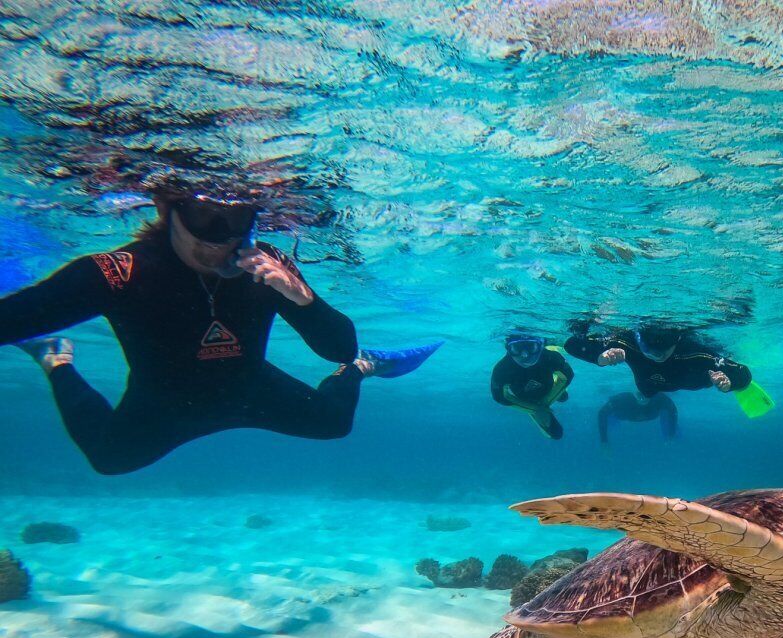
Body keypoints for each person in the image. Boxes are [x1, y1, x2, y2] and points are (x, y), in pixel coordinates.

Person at [2, 181, 440, 475]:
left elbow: (338, 347)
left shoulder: (267, 264)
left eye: (236, 221)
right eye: (204, 218)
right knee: (109, 458)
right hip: (164, 402)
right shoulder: (120, 272)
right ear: (164, 208)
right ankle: (57, 359)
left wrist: (301, 298)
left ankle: (365, 368)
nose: (220, 239)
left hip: (251, 388)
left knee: (334, 423)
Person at [564, 296, 773, 418]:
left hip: (693, 380)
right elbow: (571, 344)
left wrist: (729, 383)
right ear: (639, 339)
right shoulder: (626, 343)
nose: (656, 356)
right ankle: (645, 397)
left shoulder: (696, 352)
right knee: (646, 392)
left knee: (648, 391)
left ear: (678, 339)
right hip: (647, 384)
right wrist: (600, 358)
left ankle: (646, 397)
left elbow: (744, 374)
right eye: (649, 350)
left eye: (663, 350)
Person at [490, 332, 574, 439]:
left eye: (531, 347)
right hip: (527, 397)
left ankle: (560, 395)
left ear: (540, 346)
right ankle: (560, 395)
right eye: (517, 348)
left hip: (536, 394)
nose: (524, 355)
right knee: (562, 399)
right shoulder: (503, 369)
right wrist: (537, 408)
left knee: (564, 397)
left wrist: (539, 407)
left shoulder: (549, 357)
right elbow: (498, 397)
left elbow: (568, 375)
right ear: (508, 348)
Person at [598, 391, 677, 444]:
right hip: (620, 414)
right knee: (612, 417)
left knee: (666, 411)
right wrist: (604, 442)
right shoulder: (622, 399)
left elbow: (673, 410)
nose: (643, 398)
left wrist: (671, 434)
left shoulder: (660, 398)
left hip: (650, 413)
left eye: (646, 393)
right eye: (640, 394)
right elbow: (602, 413)